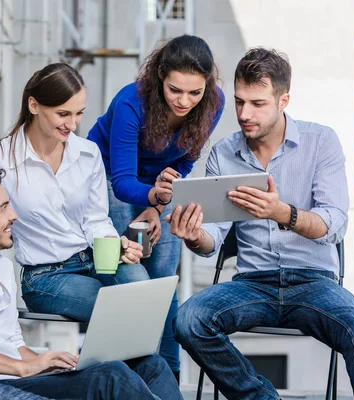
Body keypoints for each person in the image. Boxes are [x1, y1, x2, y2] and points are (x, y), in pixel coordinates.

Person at [168, 48, 354, 399]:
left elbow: (335, 224)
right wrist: (194, 235)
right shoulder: (224, 153)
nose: (245, 114)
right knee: (189, 320)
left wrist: (283, 214)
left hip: (314, 283)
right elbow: (212, 237)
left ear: (283, 100)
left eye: (257, 103)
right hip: (251, 284)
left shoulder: (321, 142)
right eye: (239, 101)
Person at [0, 163, 182, 400]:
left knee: (150, 363)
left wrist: (49, 363)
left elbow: (14, 344)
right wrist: (21, 368)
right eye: (3, 208)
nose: (14, 215)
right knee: (111, 377)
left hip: (20, 375)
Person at [86, 34, 225, 376]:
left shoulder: (214, 102)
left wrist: (158, 203)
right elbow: (120, 181)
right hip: (107, 176)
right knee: (133, 273)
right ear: (161, 75)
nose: (185, 101)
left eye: (195, 92)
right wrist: (155, 197)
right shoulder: (130, 104)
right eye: (175, 90)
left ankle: (169, 375)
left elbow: (186, 160)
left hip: (159, 187)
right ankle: (130, 372)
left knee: (163, 277)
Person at [0, 63, 150, 322]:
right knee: (120, 310)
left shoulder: (87, 153)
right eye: (63, 114)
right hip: (45, 277)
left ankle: (146, 364)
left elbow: (95, 219)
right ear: (34, 106)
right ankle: (130, 364)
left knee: (144, 293)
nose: (72, 124)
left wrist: (116, 245)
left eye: (79, 113)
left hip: (94, 259)